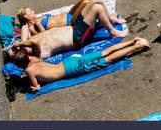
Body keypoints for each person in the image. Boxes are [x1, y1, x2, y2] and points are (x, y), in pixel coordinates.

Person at [11, 37, 149, 94]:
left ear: (19, 65)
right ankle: (133, 41)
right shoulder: (33, 59)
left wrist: (33, 87)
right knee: (105, 52)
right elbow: (34, 44)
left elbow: (36, 87)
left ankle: (137, 46)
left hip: (71, 69)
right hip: (69, 61)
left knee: (108, 60)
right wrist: (20, 44)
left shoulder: (29, 70)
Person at [16, 0, 124, 39]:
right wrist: (39, 26)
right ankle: (112, 30)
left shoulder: (39, 17)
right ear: (25, 16)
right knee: (92, 1)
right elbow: (43, 37)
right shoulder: (32, 26)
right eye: (30, 11)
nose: (33, 11)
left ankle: (111, 18)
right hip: (71, 23)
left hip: (69, 15)